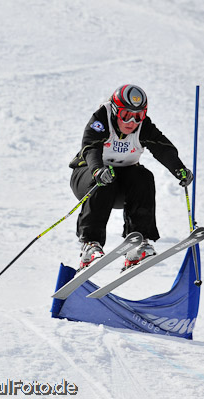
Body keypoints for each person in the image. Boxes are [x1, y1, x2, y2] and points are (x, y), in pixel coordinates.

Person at [69, 84, 194, 271]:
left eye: (139, 115)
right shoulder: (101, 119)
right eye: (126, 115)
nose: (132, 121)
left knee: (144, 177)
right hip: (88, 178)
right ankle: (90, 244)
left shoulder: (143, 127)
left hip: (122, 185)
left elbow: (163, 148)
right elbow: (91, 147)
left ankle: (138, 243)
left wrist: (179, 169)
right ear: (115, 110)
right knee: (105, 180)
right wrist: (97, 170)